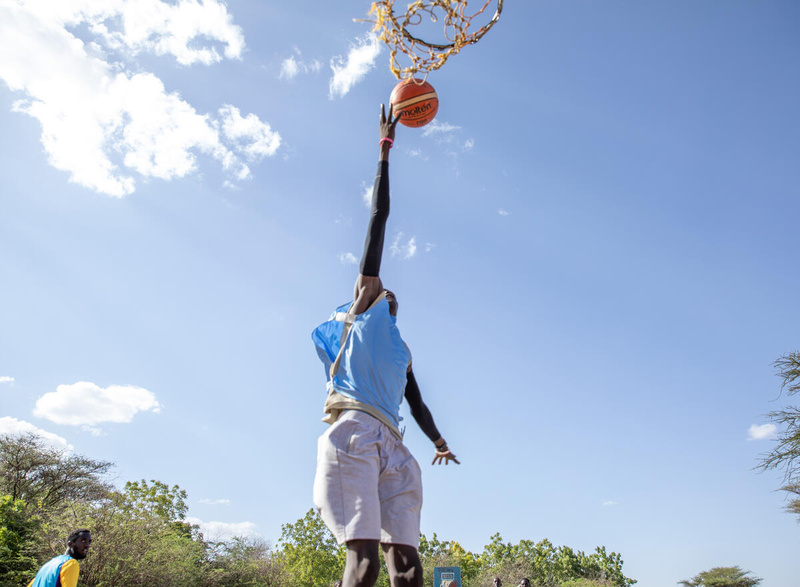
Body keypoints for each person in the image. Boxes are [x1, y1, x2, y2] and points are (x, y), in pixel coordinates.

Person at [312, 104, 459, 587]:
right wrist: (385, 148)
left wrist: (438, 441)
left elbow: (416, 403)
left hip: (394, 445)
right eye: (378, 286)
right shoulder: (365, 313)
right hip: (354, 433)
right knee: (365, 563)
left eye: (389, 291)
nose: (384, 288)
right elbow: (378, 218)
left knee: (408, 566)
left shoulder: (402, 349)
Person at [27, 529, 91, 587]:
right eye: (83, 541)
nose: (87, 545)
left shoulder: (47, 565)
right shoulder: (71, 563)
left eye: (89, 542)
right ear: (70, 544)